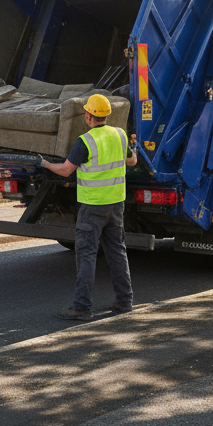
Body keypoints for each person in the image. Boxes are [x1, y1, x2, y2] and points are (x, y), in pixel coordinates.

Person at [40, 93, 137, 319]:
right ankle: (125, 301)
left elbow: (65, 170)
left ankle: (82, 307)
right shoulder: (120, 135)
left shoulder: (85, 141)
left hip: (93, 207)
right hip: (115, 206)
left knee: (86, 255)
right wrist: (135, 147)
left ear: (87, 116)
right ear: (107, 116)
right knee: (117, 253)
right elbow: (131, 161)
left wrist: (45, 163)